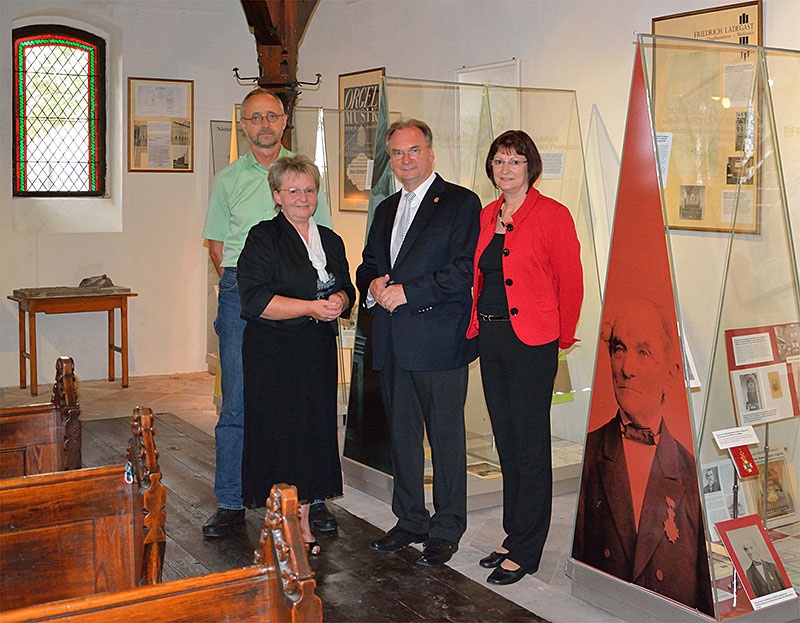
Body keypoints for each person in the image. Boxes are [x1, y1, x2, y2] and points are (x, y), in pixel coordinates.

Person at [201, 87, 336, 537]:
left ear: (284, 121)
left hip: (300, 293)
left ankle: (312, 499)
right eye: (255, 117)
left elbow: (323, 238)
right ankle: (231, 500)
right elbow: (217, 245)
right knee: (238, 400)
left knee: (305, 398)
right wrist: (247, 286)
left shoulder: (306, 172)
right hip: (245, 295)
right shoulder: (228, 180)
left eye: (272, 116)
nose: (264, 124)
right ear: (243, 124)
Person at [356, 119, 480, 567]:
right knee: (403, 438)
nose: (406, 159)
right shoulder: (386, 208)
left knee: (445, 440)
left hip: (438, 341)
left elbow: (464, 271)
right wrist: (372, 285)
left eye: (413, 150)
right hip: (393, 341)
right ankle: (410, 520)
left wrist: (409, 292)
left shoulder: (461, 203)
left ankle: (447, 528)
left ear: (430, 153)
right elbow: (368, 264)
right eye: (397, 153)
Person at [466, 130, 583, 585]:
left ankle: (529, 548)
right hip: (491, 338)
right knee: (506, 440)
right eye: (499, 161)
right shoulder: (486, 214)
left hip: (533, 342)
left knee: (531, 444)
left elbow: (570, 281)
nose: (506, 169)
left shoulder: (553, 214)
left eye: (515, 161)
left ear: (530, 167)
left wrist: (563, 337)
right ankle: (514, 534)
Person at [237, 155, 354, 553]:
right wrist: (310, 307)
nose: (303, 198)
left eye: (309, 190)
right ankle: (281, 521)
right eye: (293, 191)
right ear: (277, 196)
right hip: (274, 354)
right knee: (280, 437)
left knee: (312, 435)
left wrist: (340, 299)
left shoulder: (330, 240)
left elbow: (347, 287)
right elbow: (254, 300)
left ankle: (303, 521)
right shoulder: (263, 237)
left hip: (316, 352)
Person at [572, 298, 714, 616]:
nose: (626, 369)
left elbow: (703, 589)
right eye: (619, 349)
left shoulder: (689, 471)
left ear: (671, 373)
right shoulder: (592, 455)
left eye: (643, 352)